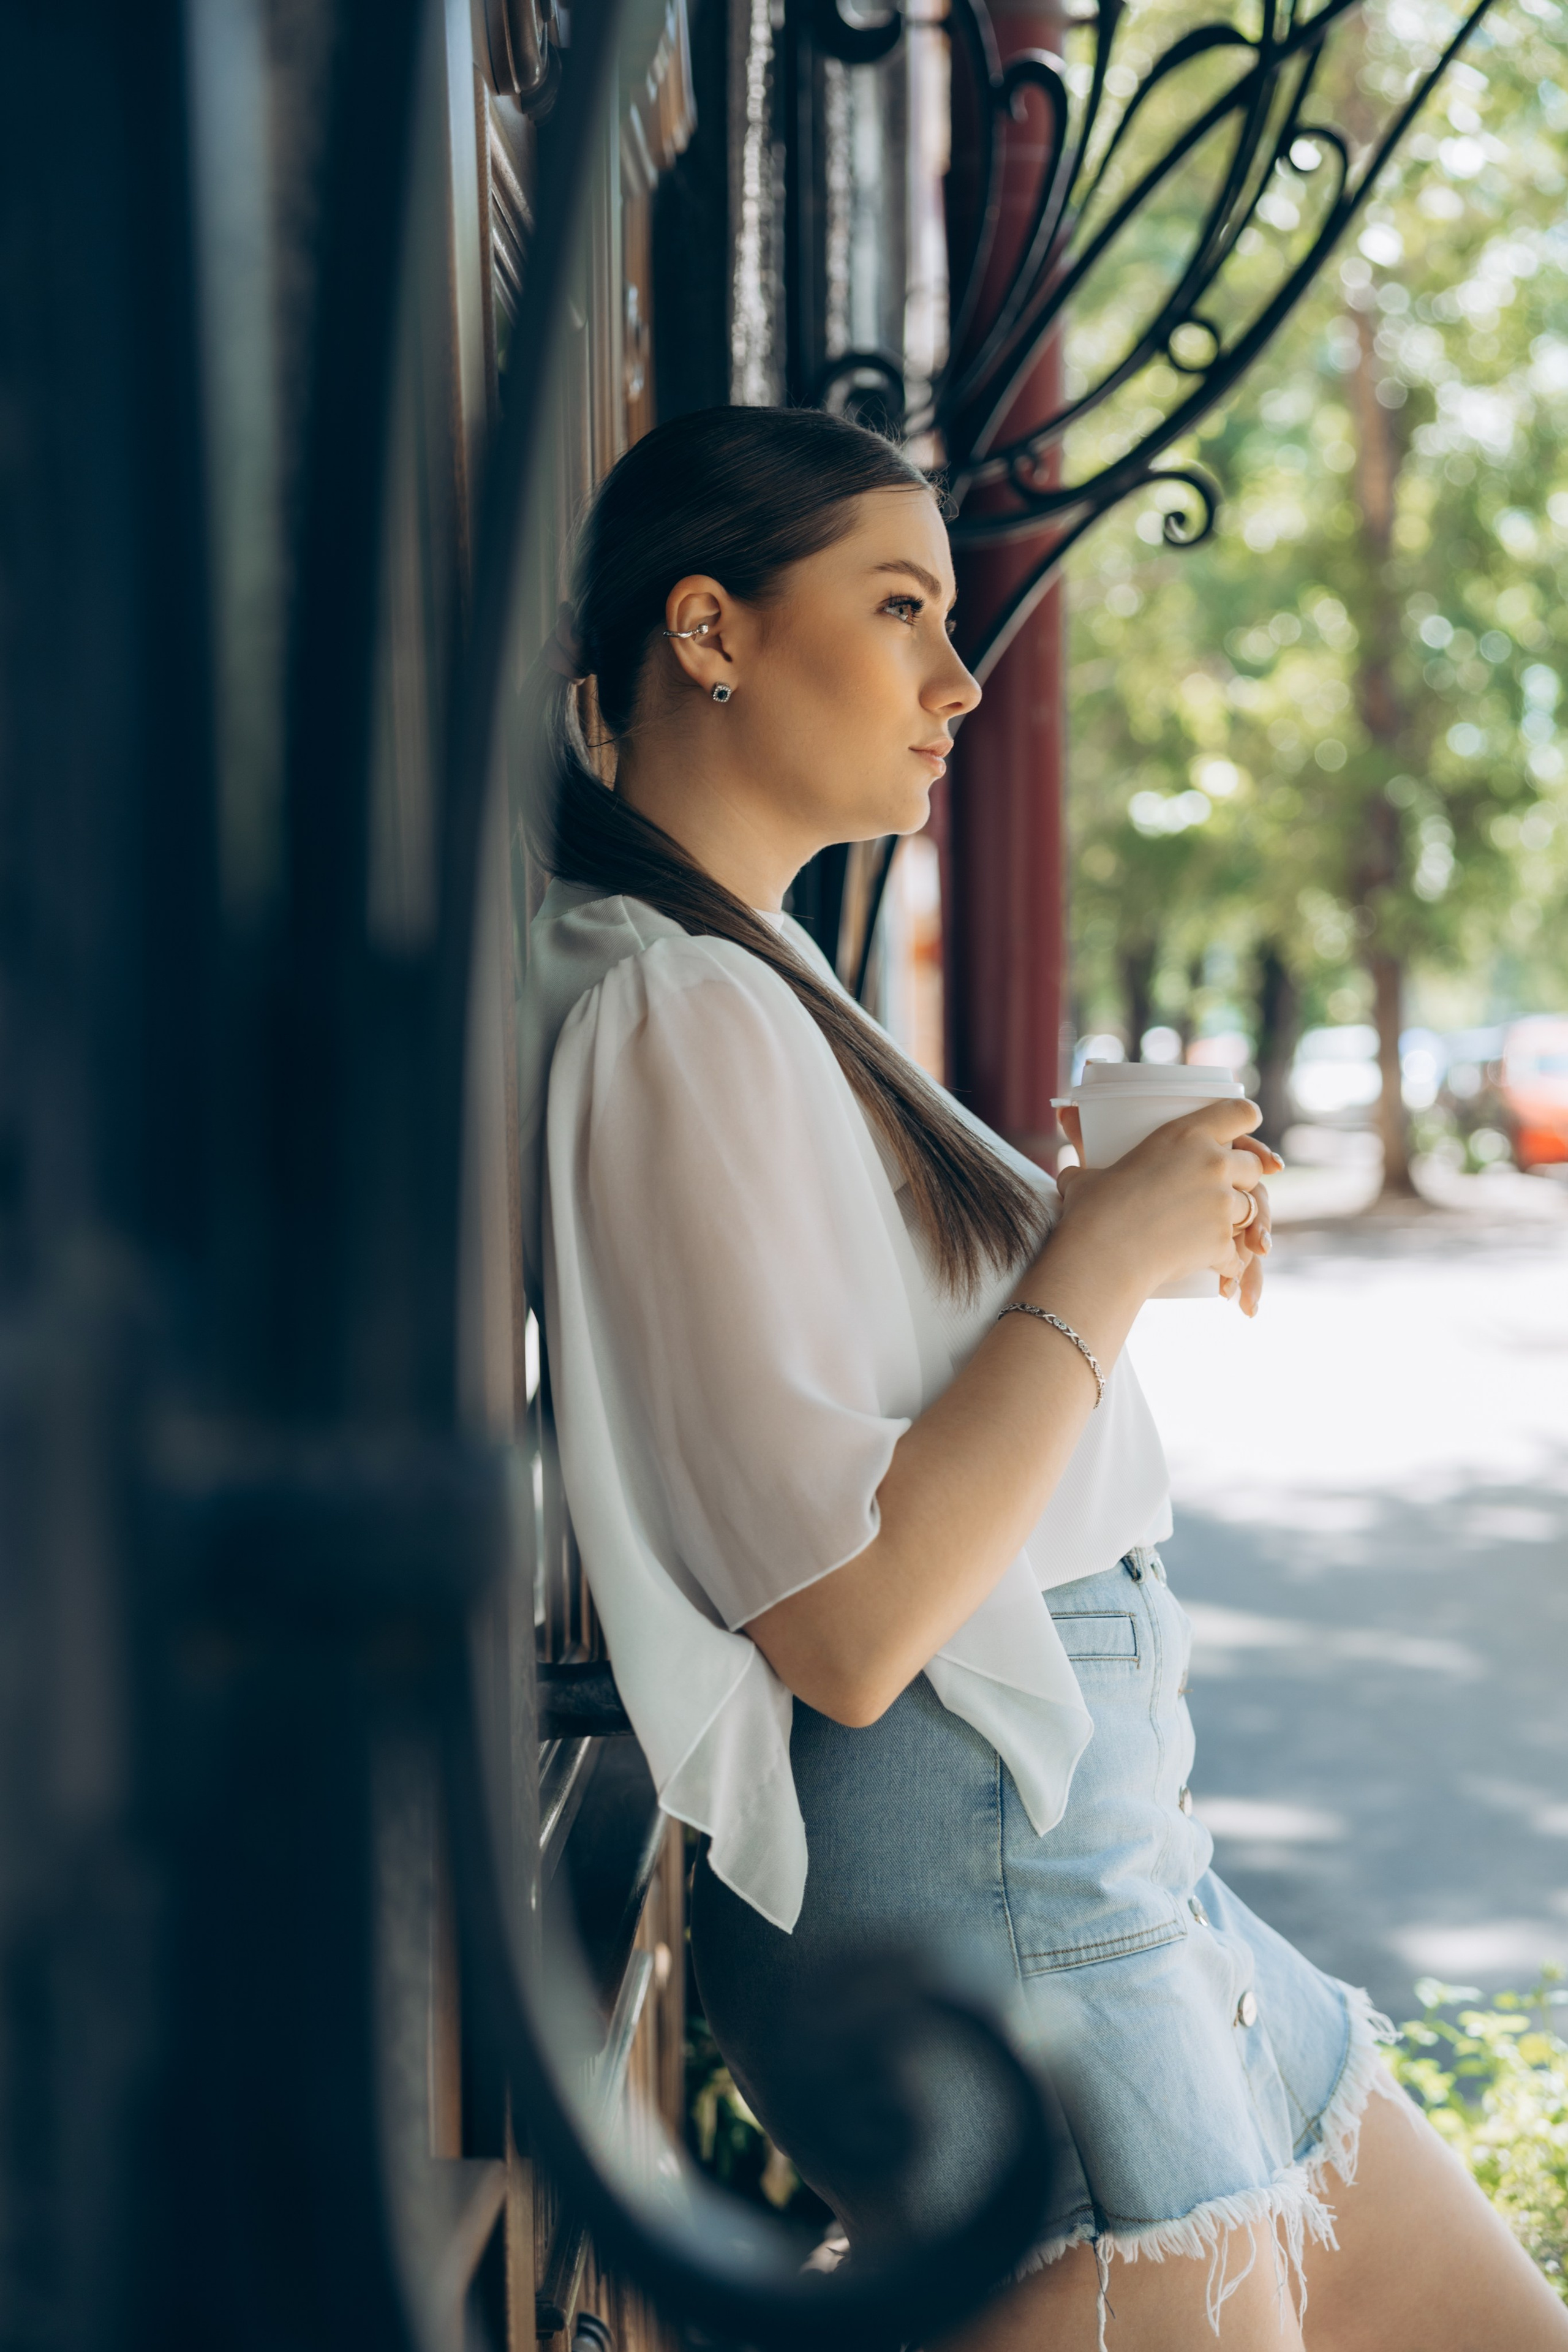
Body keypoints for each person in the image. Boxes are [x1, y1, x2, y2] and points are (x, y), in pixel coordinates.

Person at [516, 404, 1568, 2351]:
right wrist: (1091, 1262)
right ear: (708, 630)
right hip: (993, 1877)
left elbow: (894, 1412)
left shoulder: (762, 983)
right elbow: (843, 1623)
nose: (959, 675)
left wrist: (1099, 1253)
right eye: (901, 605)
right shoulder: (678, 1011)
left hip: (1102, 1838)